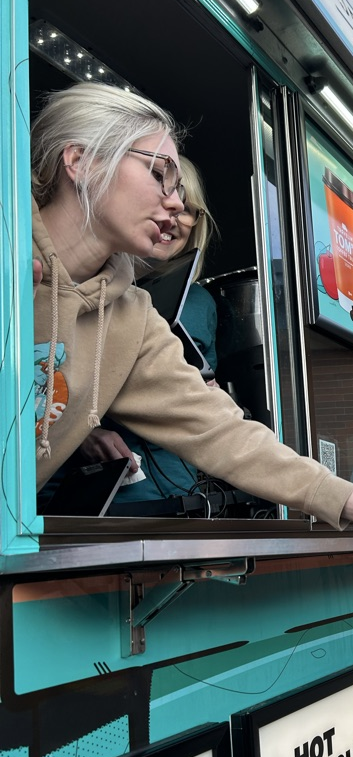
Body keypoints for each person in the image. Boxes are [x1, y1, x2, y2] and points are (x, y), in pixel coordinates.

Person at [32, 82, 353, 527]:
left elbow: (218, 429)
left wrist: (347, 499)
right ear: (79, 161)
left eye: (177, 186)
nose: (175, 203)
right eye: (159, 174)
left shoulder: (132, 317)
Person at [80, 155, 224, 504]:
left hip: (178, 487)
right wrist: (83, 433)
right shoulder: (83, 284)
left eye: (187, 209)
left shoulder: (200, 302)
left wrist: (210, 394)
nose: (172, 216)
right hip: (88, 491)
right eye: (160, 199)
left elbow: (204, 387)